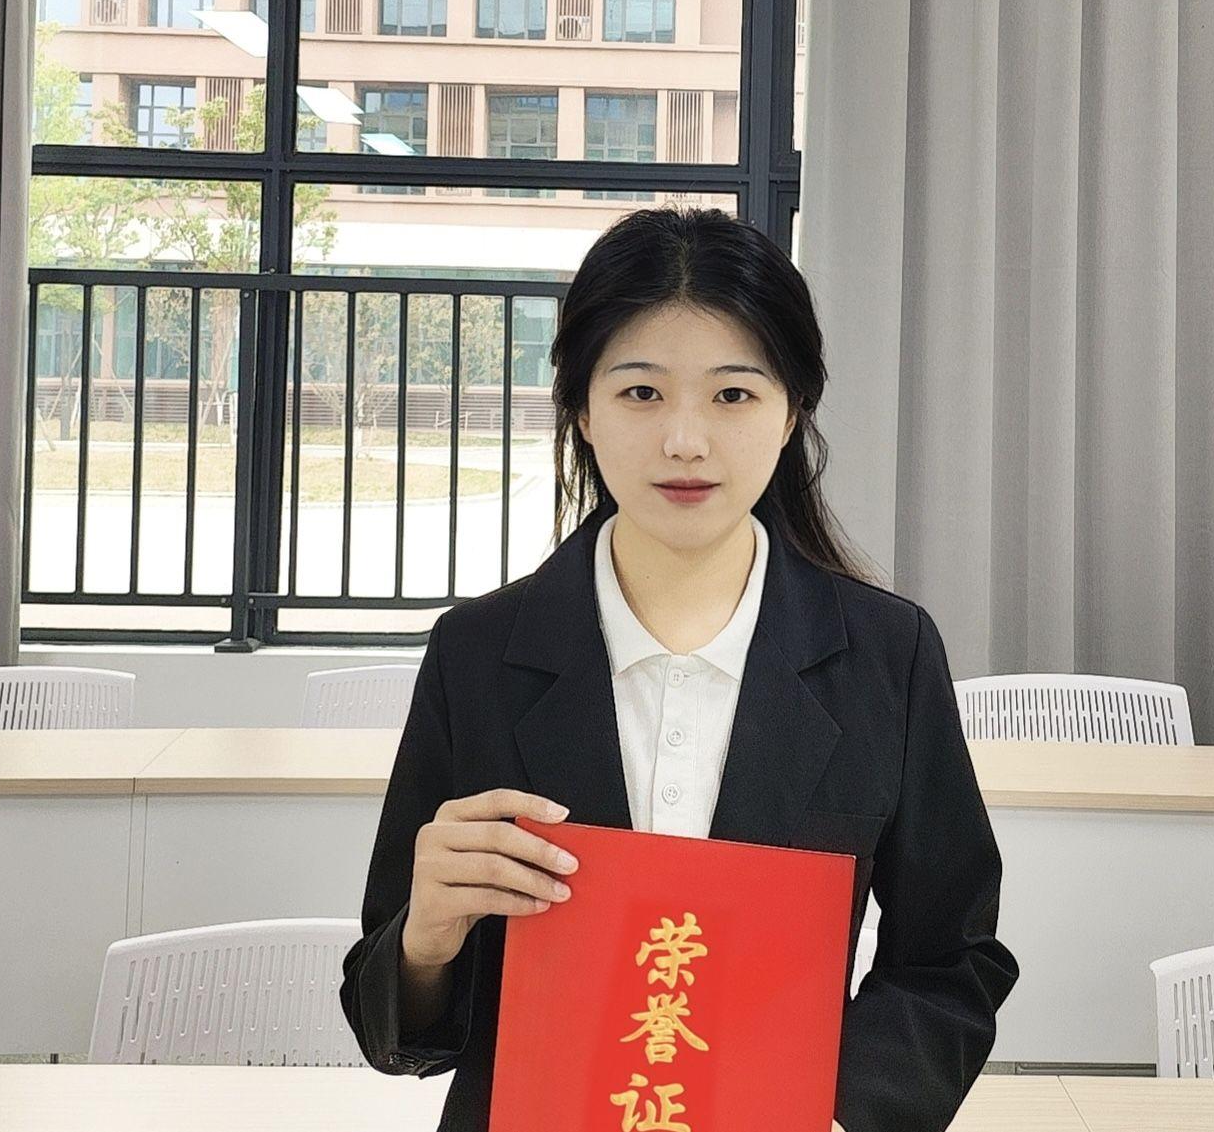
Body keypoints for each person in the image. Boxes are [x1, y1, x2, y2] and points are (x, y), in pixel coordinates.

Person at [339, 207, 1019, 1131]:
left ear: (791, 410)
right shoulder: (477, 652)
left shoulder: (886, 656)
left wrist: (829, 1110)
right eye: (641, 392)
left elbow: (951, 960)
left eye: (733, 394)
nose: (685, 441)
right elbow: (394, 1018)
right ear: (583, 409)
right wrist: (426, 938)